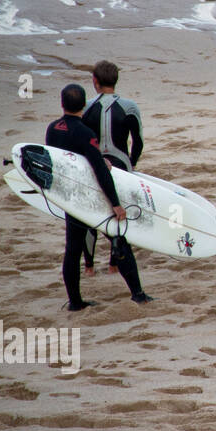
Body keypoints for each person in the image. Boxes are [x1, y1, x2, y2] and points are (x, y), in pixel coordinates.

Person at [45, 83, 151, 310]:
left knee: (73, 249)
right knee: (118, 239)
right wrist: (115, 203)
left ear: (62, 103)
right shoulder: (85, 132)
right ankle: (138, 294)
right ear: (84, 105)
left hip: (68, 196)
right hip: (91, 197)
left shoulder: (53, 128)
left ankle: (74, 302)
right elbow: (100, 172)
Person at [81, 59, 143, 275]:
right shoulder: (130, 106)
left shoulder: (86, 107)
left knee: (90, 215)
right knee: (118, 212)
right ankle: (113, 264)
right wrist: (131, 165)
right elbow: (138, 141)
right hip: (121, 165)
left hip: (94, 165)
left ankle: (88, 267)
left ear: (95, 81)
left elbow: (81, 141)